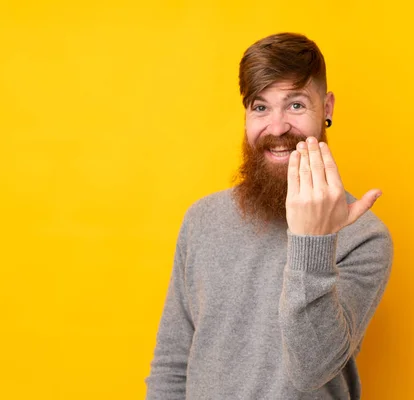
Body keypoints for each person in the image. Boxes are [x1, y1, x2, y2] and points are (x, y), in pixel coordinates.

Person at [145, 32, 394, 400]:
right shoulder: (202, 220)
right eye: (260, 108)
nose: (276, 128)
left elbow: (312, 368)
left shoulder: (364, 237)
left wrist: (313, 242)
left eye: (295, 105)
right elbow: (172, 364)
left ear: (326, 108)